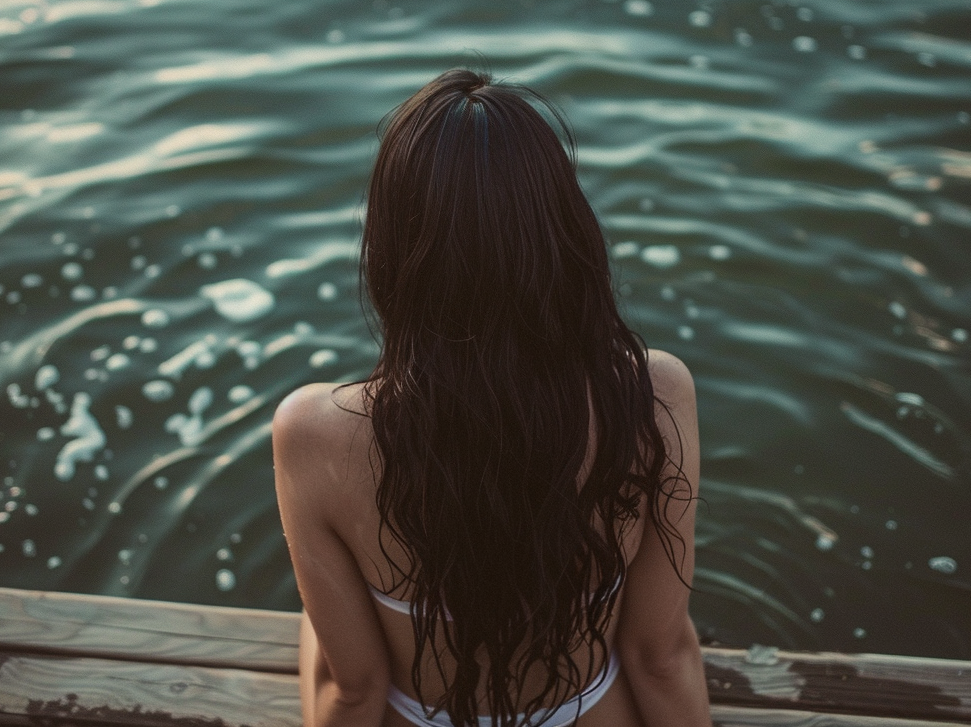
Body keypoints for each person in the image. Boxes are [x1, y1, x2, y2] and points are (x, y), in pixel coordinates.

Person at [273, 69, 710, 727]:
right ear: (565, 236)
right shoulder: (653, 396)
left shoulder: (314, 434)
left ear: (392, 252)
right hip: (589, 711)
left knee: (318, 622)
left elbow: (355, 688)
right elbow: (660, 656)